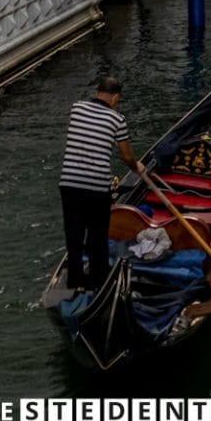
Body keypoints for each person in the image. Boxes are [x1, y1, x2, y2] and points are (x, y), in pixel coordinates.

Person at [59, 76, 145, 295]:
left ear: (98, 92)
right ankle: (98, 278)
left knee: (74, 232)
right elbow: (126, 156)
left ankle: (75, 279)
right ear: (115, 98)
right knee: (97, 233)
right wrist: (138, 168)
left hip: (69, 182)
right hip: (96, 186)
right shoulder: (117, 119)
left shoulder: (76, 109)